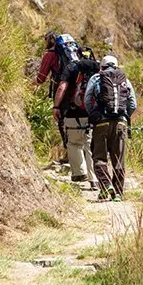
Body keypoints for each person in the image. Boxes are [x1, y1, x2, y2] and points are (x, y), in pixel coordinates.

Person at [84, 55, 137, 201]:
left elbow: (87, 100)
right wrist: (124, 116)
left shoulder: (96, 78)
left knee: (99, 158)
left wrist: (94, 115)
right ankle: (118, 194)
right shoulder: (125, 80)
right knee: (118, 159)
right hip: (120, 123)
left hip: (101, 123)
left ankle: (106, 186)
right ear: (117, 66)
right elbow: (133, 104)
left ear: (102, 67)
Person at [52, 56, 101, 188]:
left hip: (72, 113)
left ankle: (80, 173)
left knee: (73, 143)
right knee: (90, 146)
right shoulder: (97, 67)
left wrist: (56, 106)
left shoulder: (71, 68)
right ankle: (94, 180)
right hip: (91, 114)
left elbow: (62, 87)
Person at [33, 31, 67, 155]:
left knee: (62, 121)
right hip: (76, 89)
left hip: (61, 92)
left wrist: (30, 83)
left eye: (45, 41)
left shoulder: (49, 55)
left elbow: (41, 78)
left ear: (49, 41)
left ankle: (69, 154)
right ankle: (79, 155)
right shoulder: (68, 54)